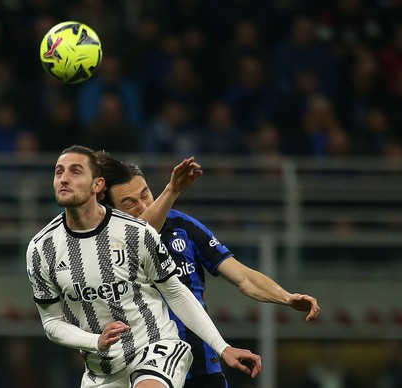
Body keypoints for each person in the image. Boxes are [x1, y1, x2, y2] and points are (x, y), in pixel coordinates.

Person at [26, 145, 261, 388]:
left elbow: (176, 291)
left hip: (155, 349)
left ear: (97, 185)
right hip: (103, 371)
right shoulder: (41, 249)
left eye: (75, 172)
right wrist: (95, 342)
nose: (64, 178)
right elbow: (52, 323)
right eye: (59, 172)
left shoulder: (136, 232)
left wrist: (222, 347)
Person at [96, 152, 321, 388]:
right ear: (109, 210)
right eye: (130, 203)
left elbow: (243, 277)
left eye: (145, 194)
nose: (143, 205)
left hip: (201, 367)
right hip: (141, 370)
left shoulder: (183, 226)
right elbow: (141, 238)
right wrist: (172, 191)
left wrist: (286, 297)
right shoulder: (106, 244)